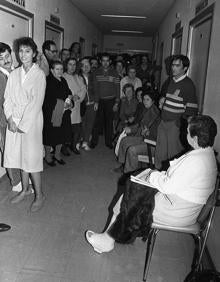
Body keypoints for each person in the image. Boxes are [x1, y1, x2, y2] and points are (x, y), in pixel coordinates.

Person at [86, 115, 218, 253]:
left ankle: (107, 241)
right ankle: (124, 232)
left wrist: (152, 175)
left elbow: (168, 186)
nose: (185, 134)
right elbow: (176, 181)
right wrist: (154, 175)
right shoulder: (206, 155)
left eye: (188, 132)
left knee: (129, 198)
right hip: (182, 206)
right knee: (136, 190)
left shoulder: (195, 161)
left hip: (176, 211)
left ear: (195, 138)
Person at [4, 37, 46, 212]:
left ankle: (39, 194)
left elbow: (36, 102)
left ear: (34, 53)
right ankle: (25, 189)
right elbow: (7, 99)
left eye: (27, 51)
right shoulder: (14, 74)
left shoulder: (39, 74)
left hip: (32, 121)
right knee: (21, 158)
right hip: (15, 120)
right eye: (20, 51)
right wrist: (11, 119)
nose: (23, 55)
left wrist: (23, 124)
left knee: (32, 159)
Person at [155, 55, 198, 170]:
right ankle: (159, 176)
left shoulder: (188, 85)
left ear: (185, 68)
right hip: (163, 122)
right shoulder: (171, 81)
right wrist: (162, 100)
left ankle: (171, 179)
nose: (173, 68)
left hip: (174, 124)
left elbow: (192, 109)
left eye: (177, 65)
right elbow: (168, 97)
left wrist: (179, 124)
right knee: (160, 153)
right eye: (172, 65)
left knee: (173, 156)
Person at [115, 90, 160, 174]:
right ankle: (123, 165)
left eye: (148, 100)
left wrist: (146, 132)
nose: (145, 102)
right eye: (144, 99)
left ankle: (129, 173)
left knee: (131, 148)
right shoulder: (146, 109)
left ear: (153, 101)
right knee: (124, 140)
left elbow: (153, 132)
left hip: (149, 141)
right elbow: (140, 125)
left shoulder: (154, 113)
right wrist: (130, 128)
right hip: (143, 136)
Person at [0, 42, 22, 192]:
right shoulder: (1, 77)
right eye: (1, 58)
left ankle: (21, 180)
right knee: (9, 152)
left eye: (7, 55)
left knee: (18, 151)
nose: (6, 60)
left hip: (18, 120)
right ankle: (16, 184)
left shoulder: (16, 72)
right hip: (5, 122)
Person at [43, 60, 73, 165]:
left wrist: (70, 100)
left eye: (61, 69)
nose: (60, 71)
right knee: (50, 136)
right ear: (51, 70)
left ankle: (57, 154)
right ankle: (47, 156)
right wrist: (61, 104)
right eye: (57, 69)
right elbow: (46, 99)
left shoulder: (63, 80)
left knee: (61, 135)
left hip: (63, 113)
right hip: (51, 114)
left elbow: (69, 92)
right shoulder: (47, 81)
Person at [90, 53, 120, 149]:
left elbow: (118, 88)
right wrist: (96, 101)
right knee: (97, 122)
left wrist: (116, 102)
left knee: (109, 122)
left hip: (111, 101)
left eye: (107, 61)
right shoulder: (96, 72)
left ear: (110, 62)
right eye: (103, 60)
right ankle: (94, 141)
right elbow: (95, 88)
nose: (105, 63)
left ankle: (108, 142)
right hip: (100, 101)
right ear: (101, 61)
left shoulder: (114, 73)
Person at [63, 58, 86, 154]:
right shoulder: (63, 76)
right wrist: (72, 96)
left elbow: (84, 89)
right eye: (70, 64)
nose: (72, 67)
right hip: (67, 106)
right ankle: (64, 148)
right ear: (66, 65)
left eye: (74, 64)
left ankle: (73, 146)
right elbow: (63, 90)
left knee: (76, 128)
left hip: (77, 105)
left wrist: (78, 96)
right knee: (65, 128)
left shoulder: (78, 77)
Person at [79, 58, 97, 151]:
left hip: (92, 104)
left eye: (87, 65)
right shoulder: (78, 77)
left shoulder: (93, 77)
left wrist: (96, 102)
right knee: (82, 123)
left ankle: (85, 142)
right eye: (83, 65)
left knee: (90, 124)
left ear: (90, 67)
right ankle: (81, 139)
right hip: (82, 104)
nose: (86, 67)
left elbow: (97, 90)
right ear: (80, 67)